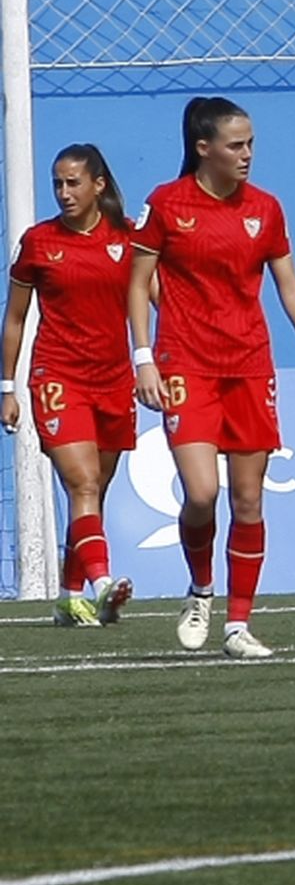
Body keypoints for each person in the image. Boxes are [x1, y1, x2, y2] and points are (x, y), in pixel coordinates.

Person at [129, 97, 295, 660]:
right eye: (235, 145)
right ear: (204, 148)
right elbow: (137, 282)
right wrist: (143, 356)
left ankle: (238, 624)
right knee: (203, 493)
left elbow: (288, 285)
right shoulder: (167, 205)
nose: (247, 155)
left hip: (249, 364)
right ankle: (200, 589)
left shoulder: (265, 209)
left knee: (249, 500)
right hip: (185, 364)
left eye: (250, 144)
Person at [2, 145, 138, 627]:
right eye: (58, 183)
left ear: (98, 185)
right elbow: (15, 317)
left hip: (115, 380)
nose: (63, 192)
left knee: (95, 492)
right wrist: (7, 387)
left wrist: (159, 363)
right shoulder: (39, 242)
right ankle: (104, 585)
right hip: (58, 377)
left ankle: (68, 595)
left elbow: (158, 303)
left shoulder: (128, 239)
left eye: (73, 182)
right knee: (81, 482)